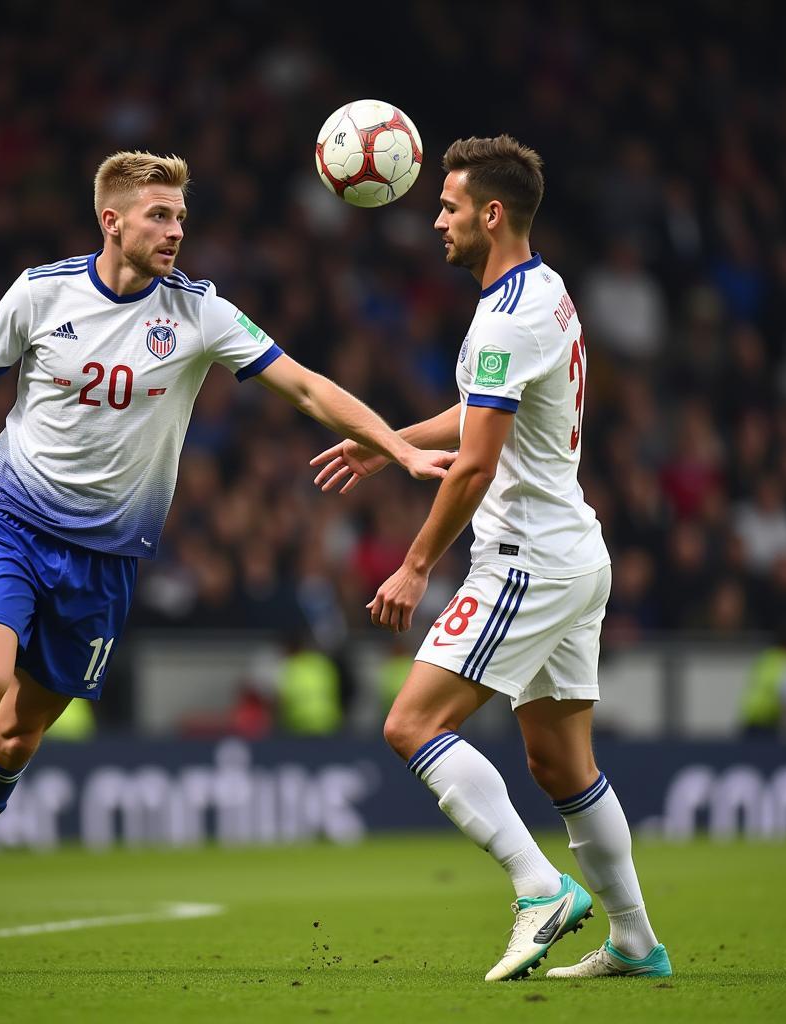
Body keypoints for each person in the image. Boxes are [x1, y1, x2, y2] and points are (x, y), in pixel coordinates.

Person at [0, 151, 453, 975]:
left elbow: (304, 387)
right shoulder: (40, 292)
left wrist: (397, 449)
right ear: (111, 220)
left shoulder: (199, 312)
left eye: (181, 217)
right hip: (13, 523)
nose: (176, 231)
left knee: (16, 738)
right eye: (159, 215)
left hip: (108, 559)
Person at [312, 135, 671, 981]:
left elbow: (476, 462)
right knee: (561, 762)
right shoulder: (543, 292)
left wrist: (414, 563)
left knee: (411, 724)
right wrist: (388, 443)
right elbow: (479, 412)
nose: (437, 219)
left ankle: (538, 888)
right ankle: (634, 941)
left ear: (492, 213)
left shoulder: (506, 317)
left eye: (448, 206)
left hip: (526, 560)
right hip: (574, 551)